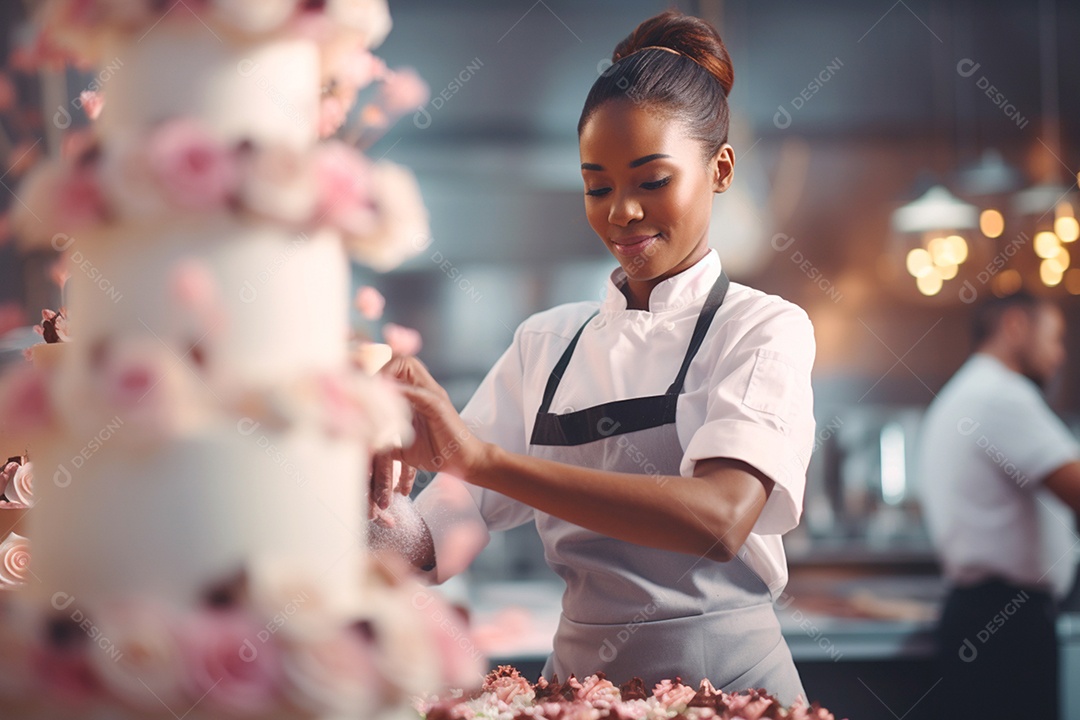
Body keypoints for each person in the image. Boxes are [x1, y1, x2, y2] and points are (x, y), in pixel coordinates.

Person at [370, 10, 816, 703]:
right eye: (598, 186)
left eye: (651, 181)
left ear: (720, 169)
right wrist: (365, 499)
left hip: (729, 692)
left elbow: (721, 518)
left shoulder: (762, 328)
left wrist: (482, 460)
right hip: (580, 692)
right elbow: (444, 529)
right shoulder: (546, 343)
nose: (622, 213)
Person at [917, 292, 1080, 720]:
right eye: (1055, 338)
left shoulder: (964, 392)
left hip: (981, 616)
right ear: (1015, 325)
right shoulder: (1001, 396)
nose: (1060, 354)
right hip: (1009, 624)